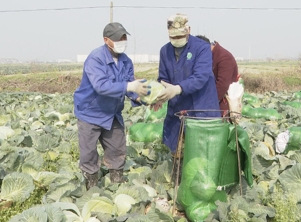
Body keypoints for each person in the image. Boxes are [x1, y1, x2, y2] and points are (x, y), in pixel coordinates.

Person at [74, 22, 150, 189]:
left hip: (112, 112)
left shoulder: (125, 60)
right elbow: (101, 86)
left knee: (117, 148)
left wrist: (140, 97)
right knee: (88, 154)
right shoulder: (96, 58)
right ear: (106, 40)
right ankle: (91, 185)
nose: (122, 41)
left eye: (124, 37)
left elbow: (130, 83)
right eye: (118, 38)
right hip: (90, 112)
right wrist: (130, 86)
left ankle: (116, 183)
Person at [153, 13, 220, 156]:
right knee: (177, 154)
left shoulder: (202, 48)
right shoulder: (165, 51)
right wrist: (160, 94)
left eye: (180, 36)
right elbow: (163, 78)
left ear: (188, 30)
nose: (177, 40)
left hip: (200, 108)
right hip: (178, 109)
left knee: (203, 155)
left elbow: (200, 77)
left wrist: (177, 88)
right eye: (173, 37)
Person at [196, 35, 239, 116]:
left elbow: (222, 86)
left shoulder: (224, 58)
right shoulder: (210, 56)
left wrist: (206, 104)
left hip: (222, 106)